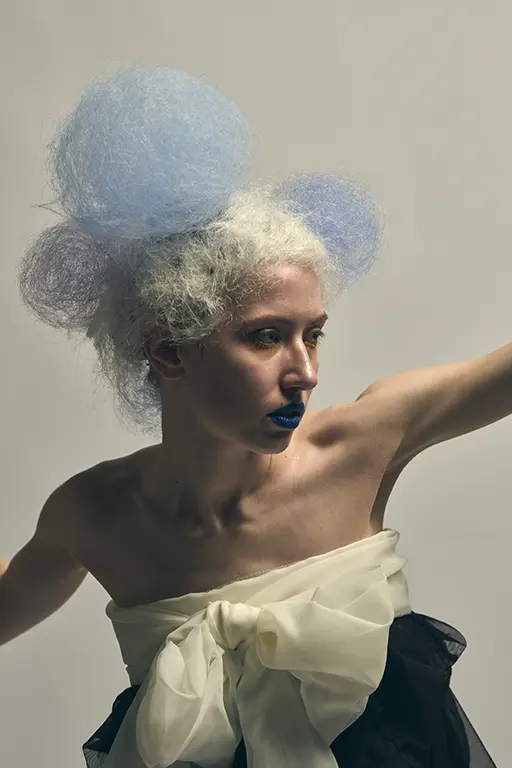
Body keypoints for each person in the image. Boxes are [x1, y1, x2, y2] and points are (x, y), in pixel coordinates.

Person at [0, 66, 496, 767]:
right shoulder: (94, 515)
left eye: (313, 334)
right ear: (169, 350)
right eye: (266, 337)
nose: (306, 371)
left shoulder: (358, 445)